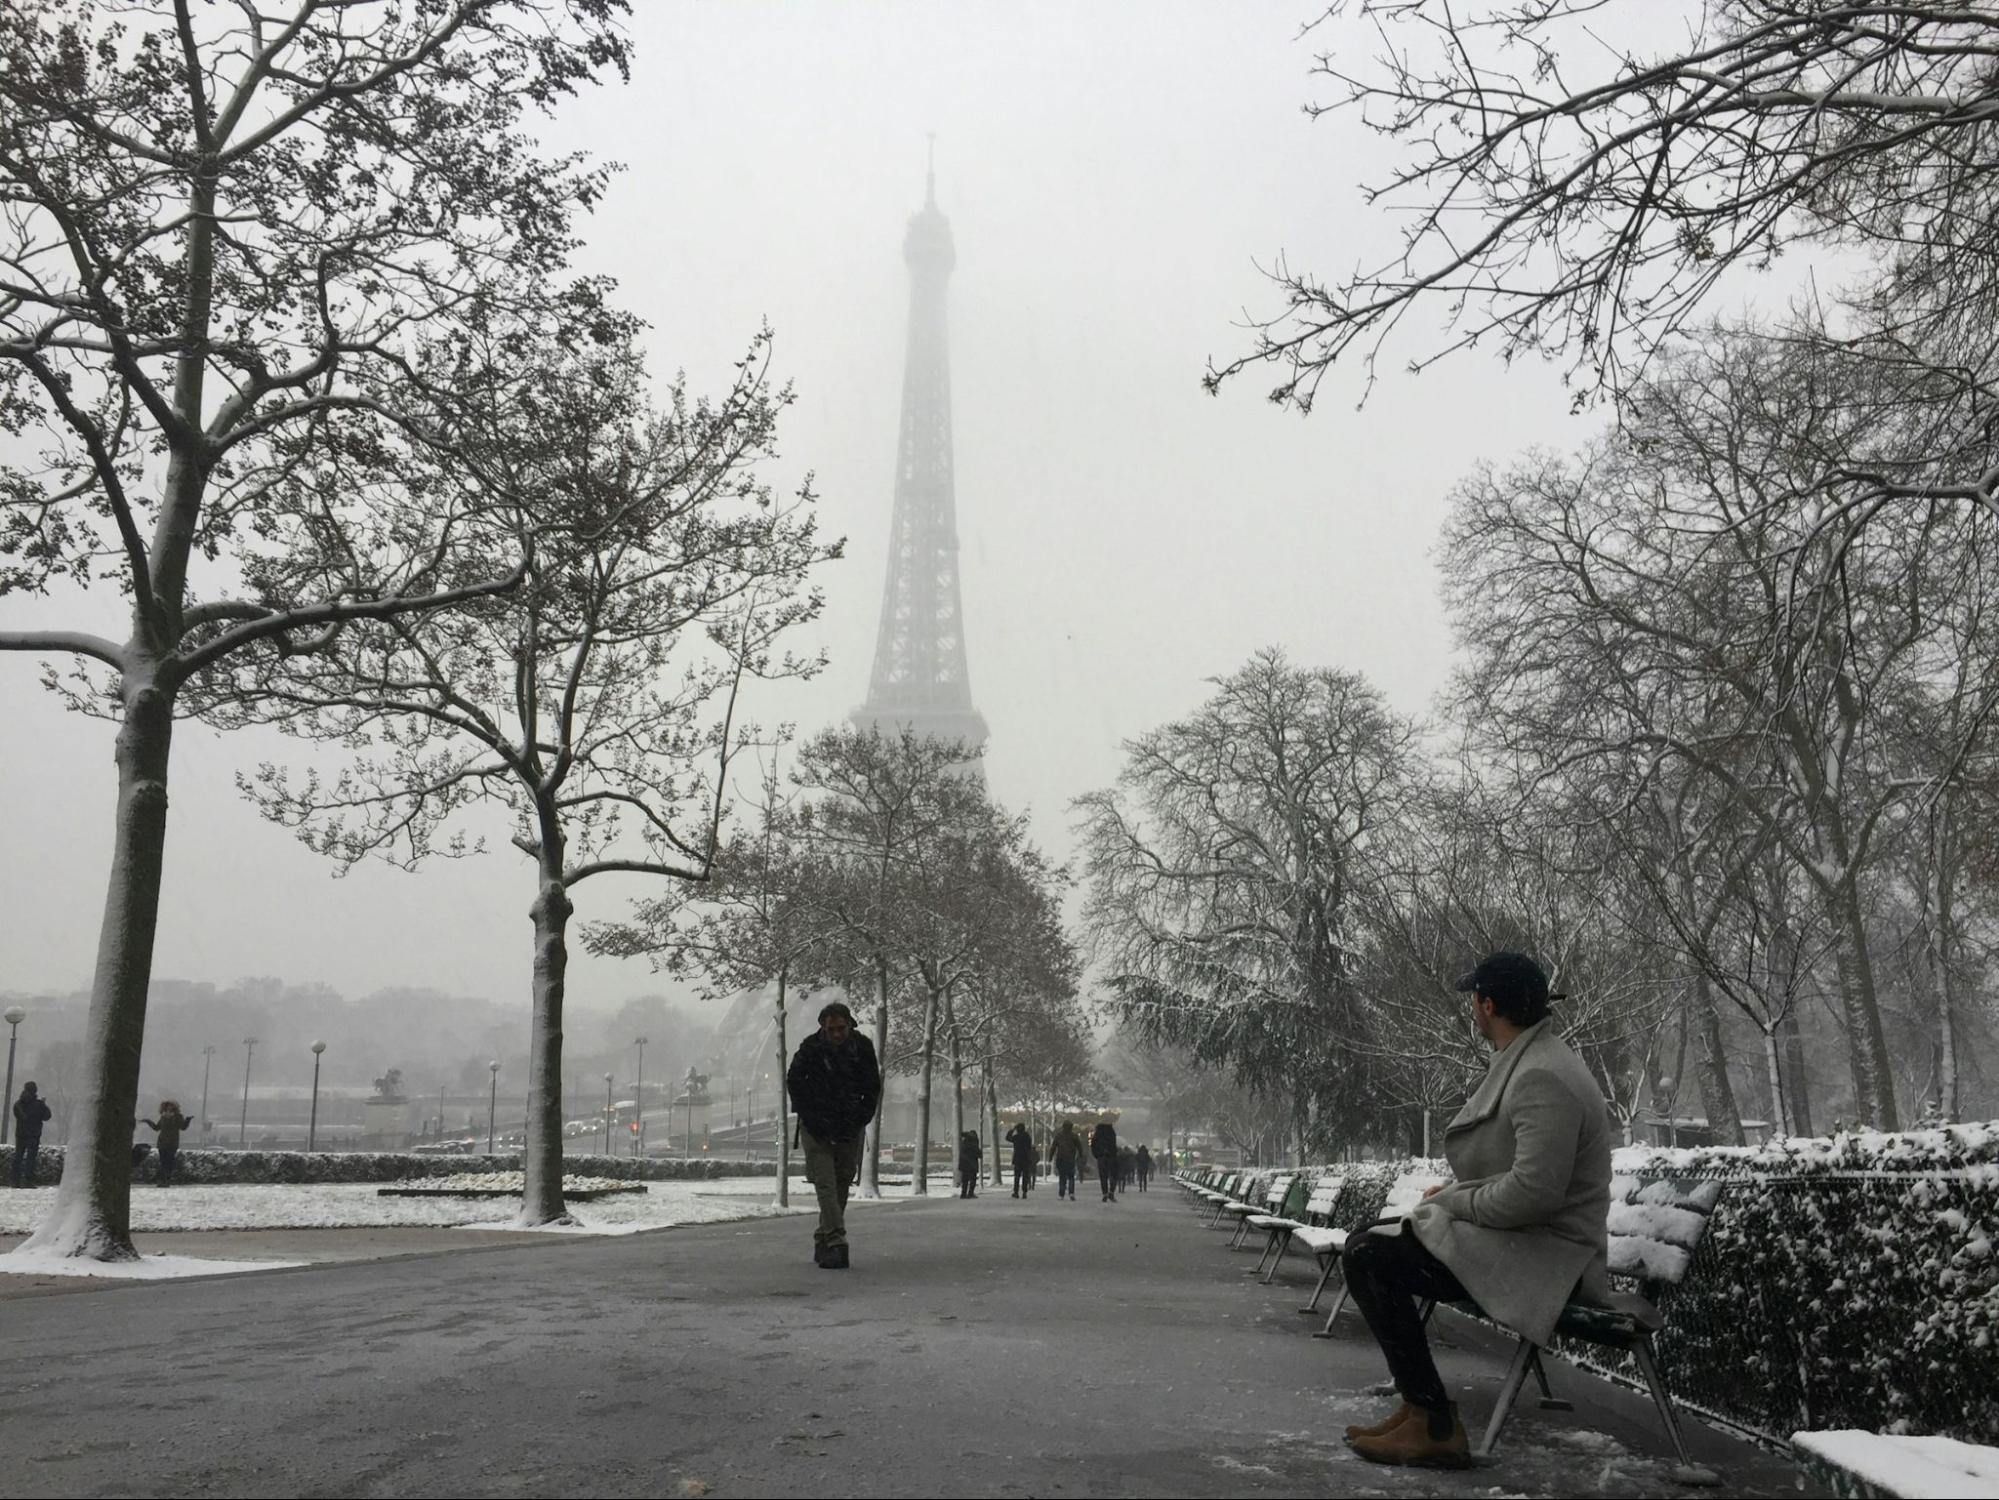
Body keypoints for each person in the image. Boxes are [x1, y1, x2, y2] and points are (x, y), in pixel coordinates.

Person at [1342, 951, 1615, 1469]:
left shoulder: (1543, 1076)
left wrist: (1452, 1200)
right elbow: (1523, 1177)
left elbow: (1533, 1194)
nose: (1473, 1009)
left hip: (1550, 1264)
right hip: (1531, 1246)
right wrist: (1453, 1195)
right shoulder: (1536, 1061)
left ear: (1487, 1005)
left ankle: (1433, 1422)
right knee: (1369, 1243)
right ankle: (1420, 1408)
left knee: (1370, 1256)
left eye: (1475, 1000)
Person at [785, 1001, 882, 1270]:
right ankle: (837, 1240)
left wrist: (861, 1117)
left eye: (841, 1028)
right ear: (823, 1028)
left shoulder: (862, 1048)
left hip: (848, 1125)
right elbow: (793, 1081)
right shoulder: (810, 1048)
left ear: (850, 1024)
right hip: (817, 1127)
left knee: (841, 1181)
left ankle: (823, 1236)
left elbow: (872, 1086)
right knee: (826, 1183)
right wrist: (811, 1115)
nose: (837, 1034)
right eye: (832, 1030)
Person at [141, 1099, 195, 1186]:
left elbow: (183, 1127)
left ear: (174, 1108)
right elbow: (156, 1128)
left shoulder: (178, 1117)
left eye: (171, 1106)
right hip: (162, 1143)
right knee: (163, 1162)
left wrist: (188, 1120)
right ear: (164, 1107)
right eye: (167, 1106)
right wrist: (148, 1121)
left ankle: (166, 1180)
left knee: (169, 1162)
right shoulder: (163, 1117)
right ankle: (162, 1180)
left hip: (172, 1143)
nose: (169, 1108)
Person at [11, 1082, 51, 1189]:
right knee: (30, 1159)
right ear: (35, 1091)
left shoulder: (18, 1104)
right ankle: (28, 1181)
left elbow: (20, 1116)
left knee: (18, 1157)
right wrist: (43, 1105)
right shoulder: (39, 1104)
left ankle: (15, 1181)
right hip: (33, 1135)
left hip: (21, 1134)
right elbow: (47, 1116)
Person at [1049, 1120, 1083, 1200]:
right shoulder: (1074, 1136)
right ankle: (1071, 1193)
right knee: (1071, 1177)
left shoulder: (1059, 1135)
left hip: (1061, 1158)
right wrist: (1080, 1155)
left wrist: (1050, 1156)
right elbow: (1079, 1147)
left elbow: (1053, 1147)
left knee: (1062, 1177)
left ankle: (1061, 1194)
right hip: (1070, 1158)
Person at [1090, 1117, 1119, 1202]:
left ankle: (1104, 1193)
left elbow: (1093, 1144)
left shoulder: (1097, 1133)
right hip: (1111, 1156)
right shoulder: (1111, 1132)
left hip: (1101, 1157)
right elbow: (1114, 1144)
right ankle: (1111, 1192)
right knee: (1113, 1175)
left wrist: (1097, 1155)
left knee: (1103, 1176)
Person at [1006, 1121, 1034, 1199]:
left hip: (1017, 1159)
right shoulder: (1027, 1137)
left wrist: (1012, 1130)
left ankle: (1016, 1192)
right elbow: (1029, 1148)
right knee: (1025, 1176)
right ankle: (1024, 1192)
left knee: (1017, 1177)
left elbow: (1007, 1138)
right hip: (1026, 1159)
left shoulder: (1016, 1137)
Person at [957, 1130, 982, 1199]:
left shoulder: (963, 1143)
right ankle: (970, 1193)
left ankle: (963, 1194)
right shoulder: (973, 1144)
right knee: (972, 1180)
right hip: (972, 1165)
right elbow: (979, 1154)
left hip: (964, 1165)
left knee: (965, 1180)